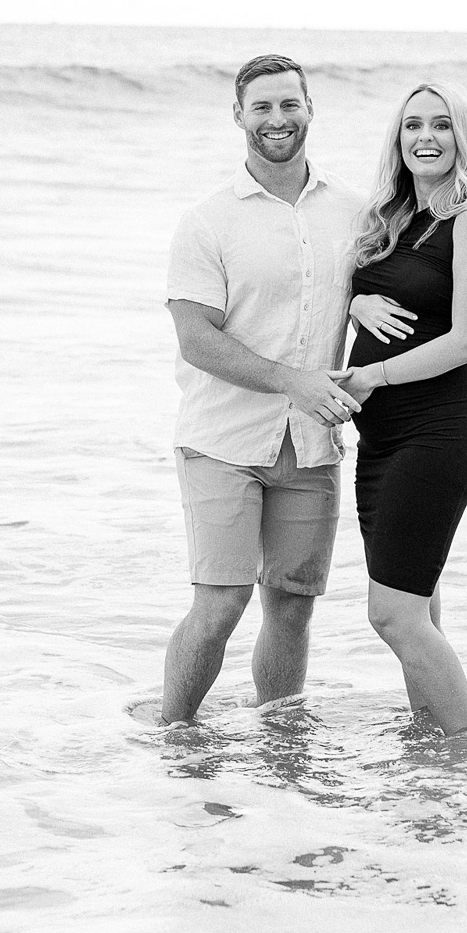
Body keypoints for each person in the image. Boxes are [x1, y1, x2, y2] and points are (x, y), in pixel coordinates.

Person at [161, 54, 363, 726]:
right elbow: (196, 338)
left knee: (293, 607)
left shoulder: (355, 215)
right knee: (220, 604)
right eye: (263, 107)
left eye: (289, 105)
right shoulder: (208, 220)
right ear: (240, 116)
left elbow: (408, 281)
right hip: (223, 440)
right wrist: (289, 381)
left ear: (310, 109)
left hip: (312, 446)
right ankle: (175, 736)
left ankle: (280, 745)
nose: (277, 120)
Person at [338, 82, 467, 736]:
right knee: (417, 606)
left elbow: (466, 339)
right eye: (412, 124)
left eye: (441, 125)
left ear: (460, 137)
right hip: (380, 440)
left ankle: (464, 754)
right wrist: (357, 304)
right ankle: (431, 751)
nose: (426, 136)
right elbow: (361, 292)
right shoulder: (387, 217)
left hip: (440, 431)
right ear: (397, 138)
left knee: (392, 615)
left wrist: (372, 376)